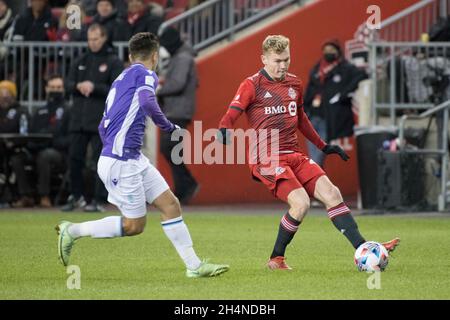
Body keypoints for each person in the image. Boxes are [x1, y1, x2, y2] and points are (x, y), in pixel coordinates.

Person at [217, 35, 399, 270]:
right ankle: (276, 259)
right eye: (277, 61)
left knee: (332, 194)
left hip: (294, 155)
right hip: (267, 158)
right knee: (301, 203)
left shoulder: (294, 83)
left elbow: (301, 119)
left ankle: (365, 249)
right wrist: (224, 129)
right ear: (263, 59)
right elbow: (231, 114)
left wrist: (323, 146)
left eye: (286, 60)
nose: (283, 66)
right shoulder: (252, 85)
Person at [56, 32, 229, 278]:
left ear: (129, 55)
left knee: (170, 205)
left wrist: (118, 148)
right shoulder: (147, 74)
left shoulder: (121, 77)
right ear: (155, 56)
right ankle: (72, 231)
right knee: (134, 226)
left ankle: (194, 266)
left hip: (130, 158)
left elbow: (103, 125)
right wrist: (169, 127)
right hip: (121, 161)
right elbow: (148, 101)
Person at [62, 23, 124, 212]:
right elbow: (67, 84)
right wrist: (78, 86)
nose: (93, 43)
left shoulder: (113, 61)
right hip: (78, 120)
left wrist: (94, 87)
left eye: (96, 39)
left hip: (100, 120)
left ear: (104, 38)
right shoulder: (80, 60)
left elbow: (117, 89)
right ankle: (77, 196)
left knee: (101, 162)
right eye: (90, 39)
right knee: (74, 159)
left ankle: (99, 199)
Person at [303, 39, 367, 167]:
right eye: (326, 51)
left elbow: (362, 75)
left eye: (331, 50)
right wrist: (304, 110)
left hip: (328, 119)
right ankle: (316, 182)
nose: (328, 53)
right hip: (312, 117)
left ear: (338, 52)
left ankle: (313, 181)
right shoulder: (317, 68)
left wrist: (342, 95)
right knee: (313, 155)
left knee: (318, 155)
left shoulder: (345, 68)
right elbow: (309, 91)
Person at [157, 27, 199, 204]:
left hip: (178, 110)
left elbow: (178, 84)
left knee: (169, 148)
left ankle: (186, 186)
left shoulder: (182, 58)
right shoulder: (182, 56)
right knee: (172, 149)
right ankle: (184, 187)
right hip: (177, 110)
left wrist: (159, 90)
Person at [28, 74, 70, 208]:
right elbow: (30, 133)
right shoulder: (39, 111)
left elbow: (71, 138)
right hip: (37, 149)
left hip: (60, 153)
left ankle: (44, 196)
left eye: (58, 87)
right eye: (52, 87)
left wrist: (52, 141)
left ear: (63, 89)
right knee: (17, 158)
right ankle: (25, 196)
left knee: (45, 155)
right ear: (46, 89)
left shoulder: (69, 110)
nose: (55, 90)